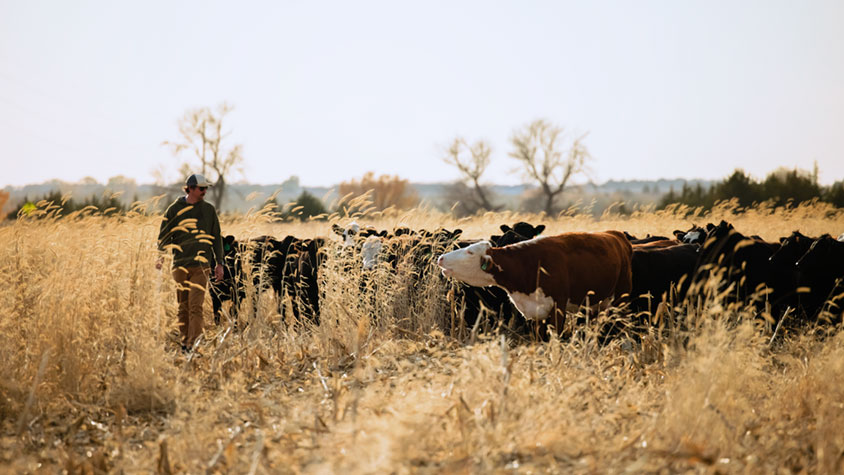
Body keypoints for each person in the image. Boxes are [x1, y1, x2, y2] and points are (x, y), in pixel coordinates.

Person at [156, 174, 224, 353]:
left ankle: (194, 345)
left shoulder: (209, 210)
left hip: (202, 266)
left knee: (196, 306)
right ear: (191, 188)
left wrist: (219, 263)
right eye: (202, 188)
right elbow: (163, 235)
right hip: (180, 266)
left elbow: (216, 237)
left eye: (206, 188)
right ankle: (185, 343)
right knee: (183, 307)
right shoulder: (174, 210)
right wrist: (160, 255)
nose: (205, 191)